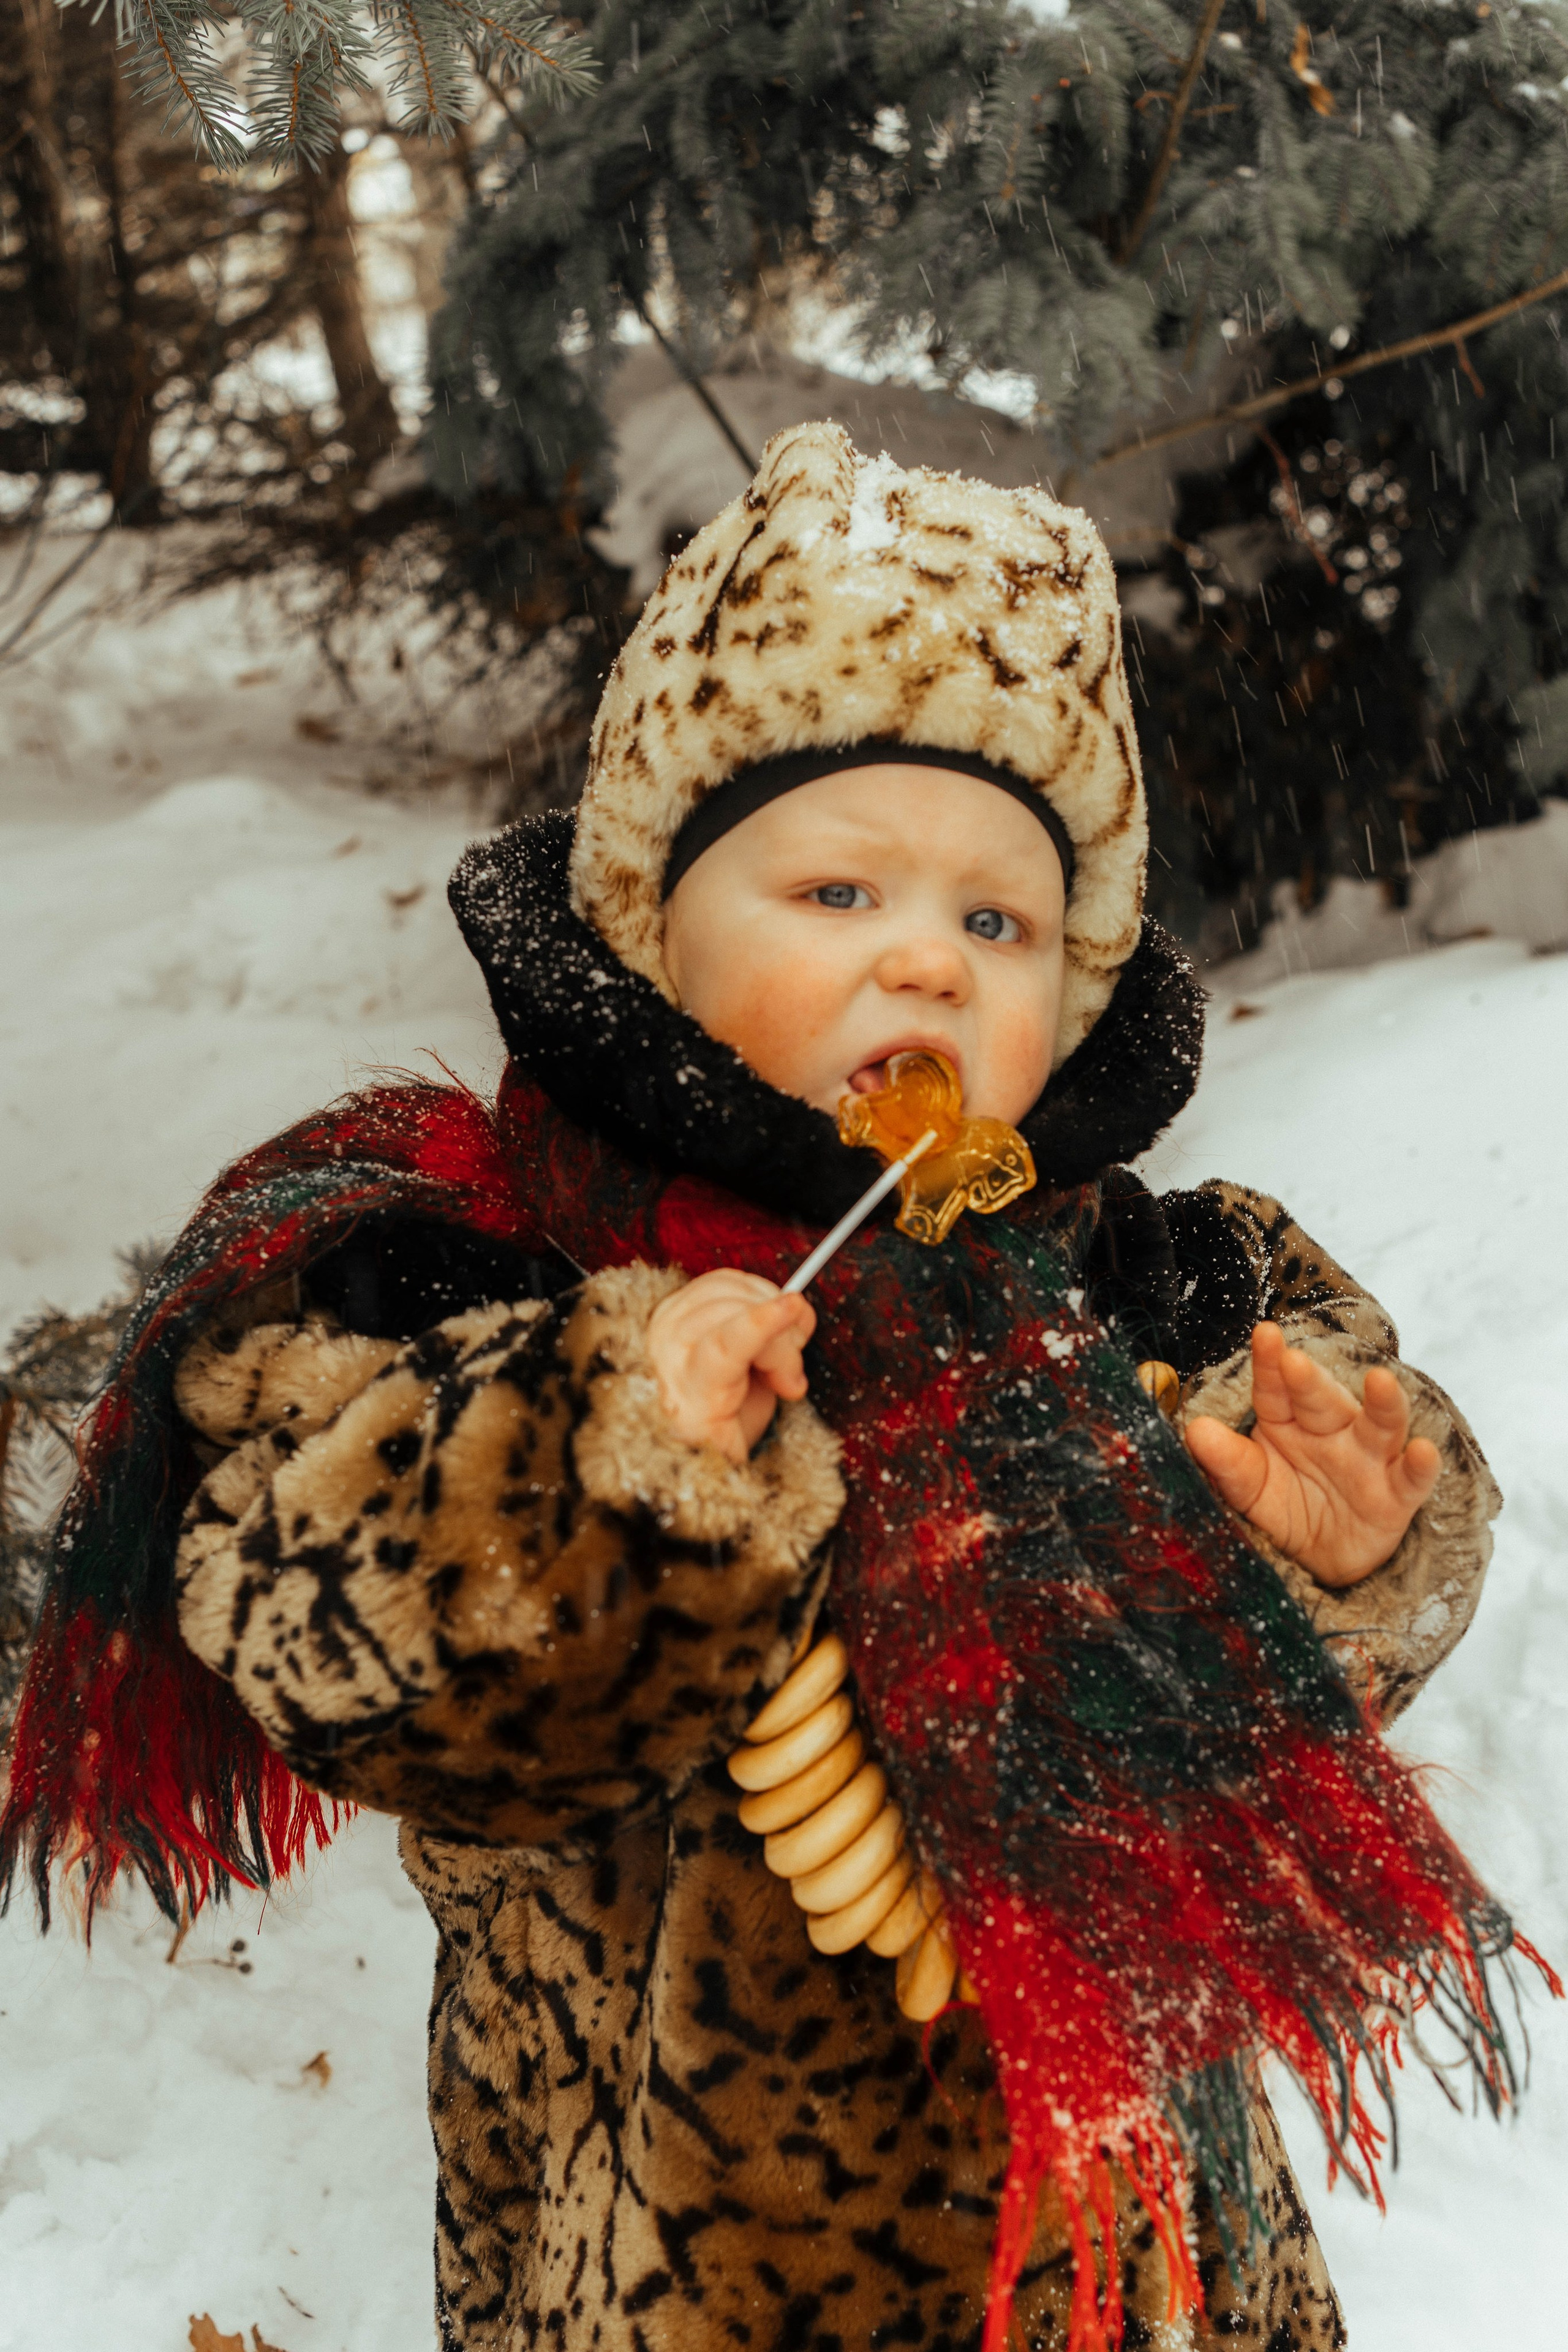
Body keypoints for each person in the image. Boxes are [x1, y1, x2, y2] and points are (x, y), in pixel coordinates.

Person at [3, 424, 1515, 2352]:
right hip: (672, 2260)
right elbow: (352, 1651)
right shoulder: (469, 1277)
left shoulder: (1147, 1288)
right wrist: (605, 1450)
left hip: (1134, 2262)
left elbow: (1279, 1685)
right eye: (838, 893)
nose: (931, 965)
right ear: (651, 927)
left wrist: (1333, 1560)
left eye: (998, 921)